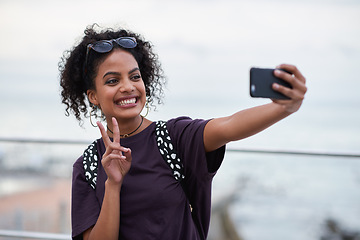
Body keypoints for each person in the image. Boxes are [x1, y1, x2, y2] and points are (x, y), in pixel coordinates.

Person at [59, 24, 307, 240]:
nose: (128, 87)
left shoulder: (173, 138)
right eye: (113, 81)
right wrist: (113, 184)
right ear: (93, 96)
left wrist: (284, 108)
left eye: (135, 77)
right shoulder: (88, 165)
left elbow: (229, 126)